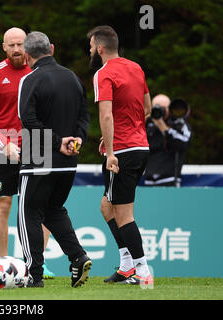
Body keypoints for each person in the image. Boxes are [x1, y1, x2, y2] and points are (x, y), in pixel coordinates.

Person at [0, 27, 55, 277]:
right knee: (2, 204)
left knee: (39, 204)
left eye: (20, 44)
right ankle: (2, 263)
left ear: (28, 45)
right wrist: (2, 143)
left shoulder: (40, 72)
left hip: (36, 146)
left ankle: (36, 264)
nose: (17, 49)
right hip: (2, 150)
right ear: (4, 47)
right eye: (11, 45)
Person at [18, 31, 91, 288]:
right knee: (53, 211)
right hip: (69, 162)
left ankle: (33, 275)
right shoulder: (73, 77)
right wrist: (77, 139)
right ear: (52, 48)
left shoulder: (30, 79)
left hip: (37, 161)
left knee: (29, 214)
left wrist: (57, 141)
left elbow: (28, 121)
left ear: (26, 56)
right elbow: (84, 116)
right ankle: (78, 256)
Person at [88, 25, 153, 285]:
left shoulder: (103, 73)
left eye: (91, 46)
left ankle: (143, 272)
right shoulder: (136, 68)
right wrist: (125, 131)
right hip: (140, 147)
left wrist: (111, 151)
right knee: (107, 206)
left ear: (100, 48)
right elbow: (147, 108)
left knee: (124, 214)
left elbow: (105, 114)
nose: (90, 50)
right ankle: (127, 265)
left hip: (122, 152)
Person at [144, 94, 191, 187]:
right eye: (156, 107)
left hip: (170, 179)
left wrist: (163, 127)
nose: (160, 110)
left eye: (164, 108)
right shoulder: (147, 124)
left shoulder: (179, 124)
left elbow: (183, 143)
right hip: (149, 179)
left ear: (170, 108)